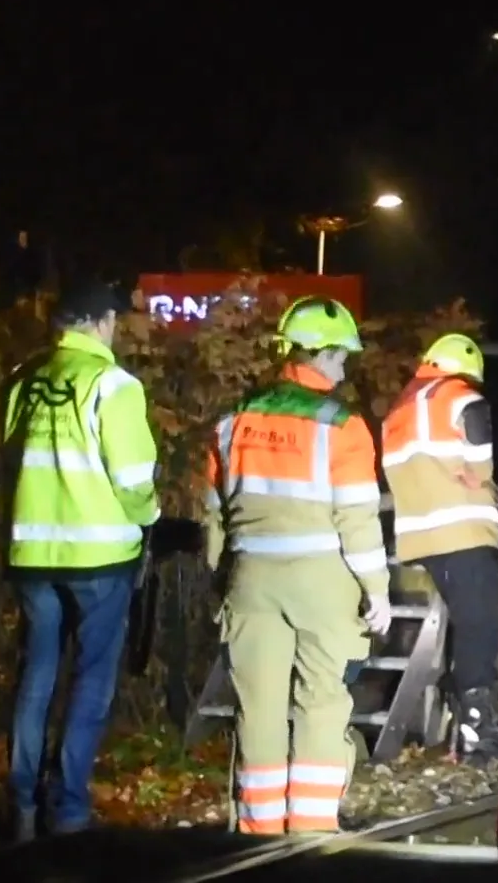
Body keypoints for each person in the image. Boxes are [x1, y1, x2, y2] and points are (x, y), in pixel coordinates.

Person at [203, 296, 388, 836]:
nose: (344, 368)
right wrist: (376, 588)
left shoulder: (232, 422)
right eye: (340, 357)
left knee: (257, 707)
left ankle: (258, 835)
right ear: (321, 355)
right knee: (322, 701)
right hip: (320, 580)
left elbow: (213, 514)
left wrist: (222, 576)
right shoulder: (343, 426)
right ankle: (310, 833)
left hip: (250, 580)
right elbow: (356, 517)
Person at [3, 279, 160, 841]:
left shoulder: (25, 379)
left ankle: (21, 806)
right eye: (113, 320)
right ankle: (68, 810)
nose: (116, 329)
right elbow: (134, 478)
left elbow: (11, 456)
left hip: (31, 555)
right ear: (97, 323)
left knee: (37, 677)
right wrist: (150, 517)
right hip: (99, 556)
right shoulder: (113, 385)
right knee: (91, 680)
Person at [380, 332, 498, 759]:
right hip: (465, 534)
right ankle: (475, 726)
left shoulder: (398, 410)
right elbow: (481, 470)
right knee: (480, 628)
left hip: (418, 536)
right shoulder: (463, 400)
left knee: (465, 627)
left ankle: (461, 719)